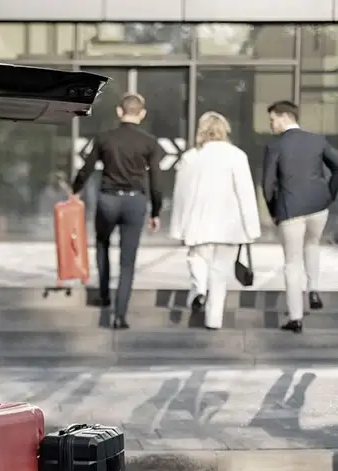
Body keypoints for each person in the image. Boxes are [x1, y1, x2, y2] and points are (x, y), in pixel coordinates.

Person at [71, 92, 163, 330]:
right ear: (142, 114)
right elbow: (155, 180)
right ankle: (120, 315)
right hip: (135, 202)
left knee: (102, 244)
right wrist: (156, 211)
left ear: (119, 112)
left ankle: (103, 294)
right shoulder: (149, 142)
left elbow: (87, 168)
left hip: (108, 199)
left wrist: (76, 189)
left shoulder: (104, 138)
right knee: (127, 261)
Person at [169, 111, 261, 330]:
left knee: (197, 258)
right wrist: (252, 228)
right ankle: (213, 320)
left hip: (199, 221)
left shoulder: (191, 157)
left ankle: (199, 288)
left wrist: (177, 227)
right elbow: (245, 193)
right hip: (229, 226)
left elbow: (180, 194)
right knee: (220, 275)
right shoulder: (237, 155)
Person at [262, 100, 338, 333]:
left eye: (272, 120)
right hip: (318, 207)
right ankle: (314, 290)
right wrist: (328, 195)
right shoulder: (317, 140)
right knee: (312, 245)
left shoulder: (275, 146)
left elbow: (268, 184)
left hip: (290, 209)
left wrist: (273, 211)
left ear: (284, 117)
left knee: (291, 263)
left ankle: (296, 318)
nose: (271, 125)